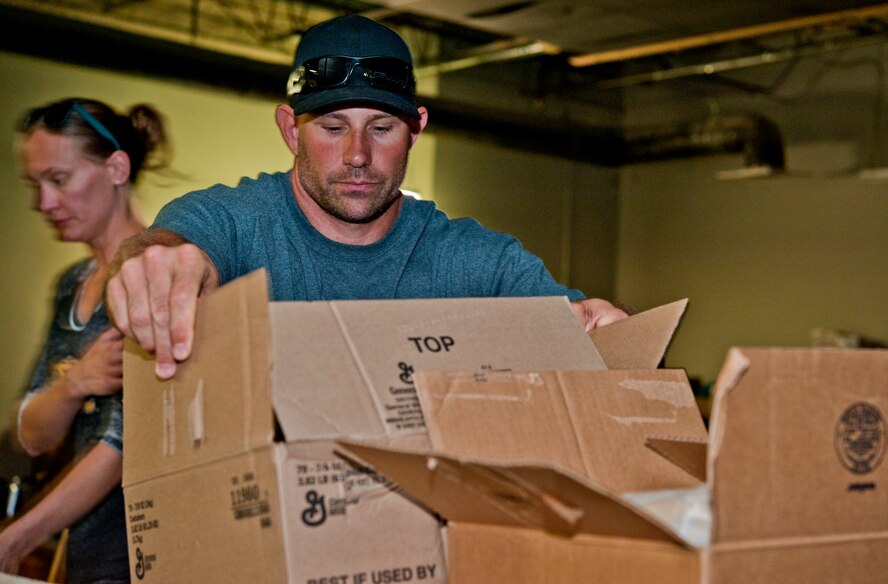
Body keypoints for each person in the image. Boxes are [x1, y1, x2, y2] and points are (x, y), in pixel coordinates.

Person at [106, 14, 627, 380]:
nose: (357, 155)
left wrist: (603, 328)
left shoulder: (469, 261)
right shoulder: (235, 224)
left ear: (416, 130)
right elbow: (168, 246)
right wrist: (156, 267)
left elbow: (576, 328)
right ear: (291, 130)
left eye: (381, 128)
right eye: (332, 127)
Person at [0, 97, 171, 583]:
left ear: (117, 168)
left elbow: (125, 444)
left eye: (59, 179)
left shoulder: (153, 274)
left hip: (142, 557)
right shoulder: (71, 284)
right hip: (85, 556)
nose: (44, 203)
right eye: (35, 185)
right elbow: (31, 433)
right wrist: (76, 382)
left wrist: (18, 535)